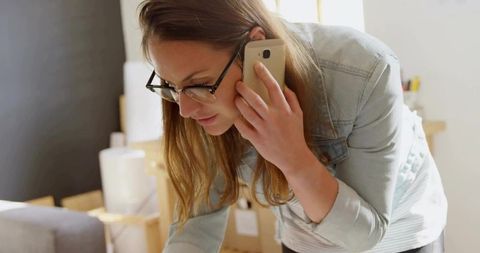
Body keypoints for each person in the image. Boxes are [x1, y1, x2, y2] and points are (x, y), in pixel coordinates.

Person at [138, 0, 448, 252]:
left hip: (400, 234)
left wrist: (292, 158)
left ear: (255, 46)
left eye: (200, 84)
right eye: (170, 85)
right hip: (305, 238)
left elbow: (365, 236)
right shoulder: (193, 101)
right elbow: (196, 223)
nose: (185, 109)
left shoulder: (365, 69)